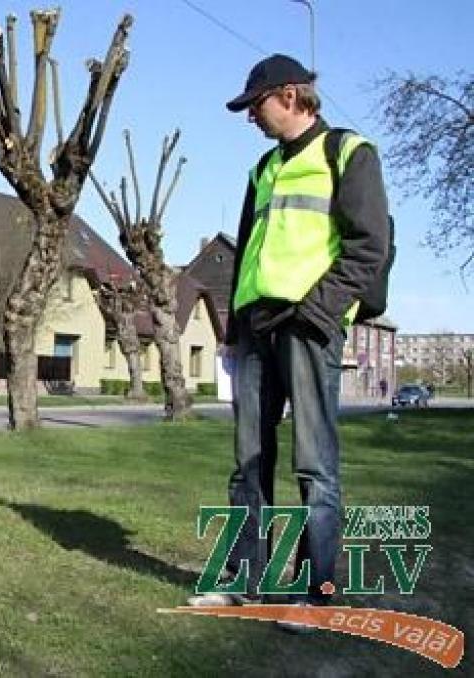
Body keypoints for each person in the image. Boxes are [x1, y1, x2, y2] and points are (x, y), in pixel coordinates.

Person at [189, 55, 391, 627]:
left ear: (290, 95)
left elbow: (369, 247)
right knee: (247, 464)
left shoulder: (348, 153)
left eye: (255, 105)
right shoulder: (263, 169)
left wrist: (317, 310)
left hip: (308, 326)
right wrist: (234, 332)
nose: (250, 116)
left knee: (314, 465)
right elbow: (248, 254)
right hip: (256, 330)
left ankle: (316, 595)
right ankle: (242, 581)